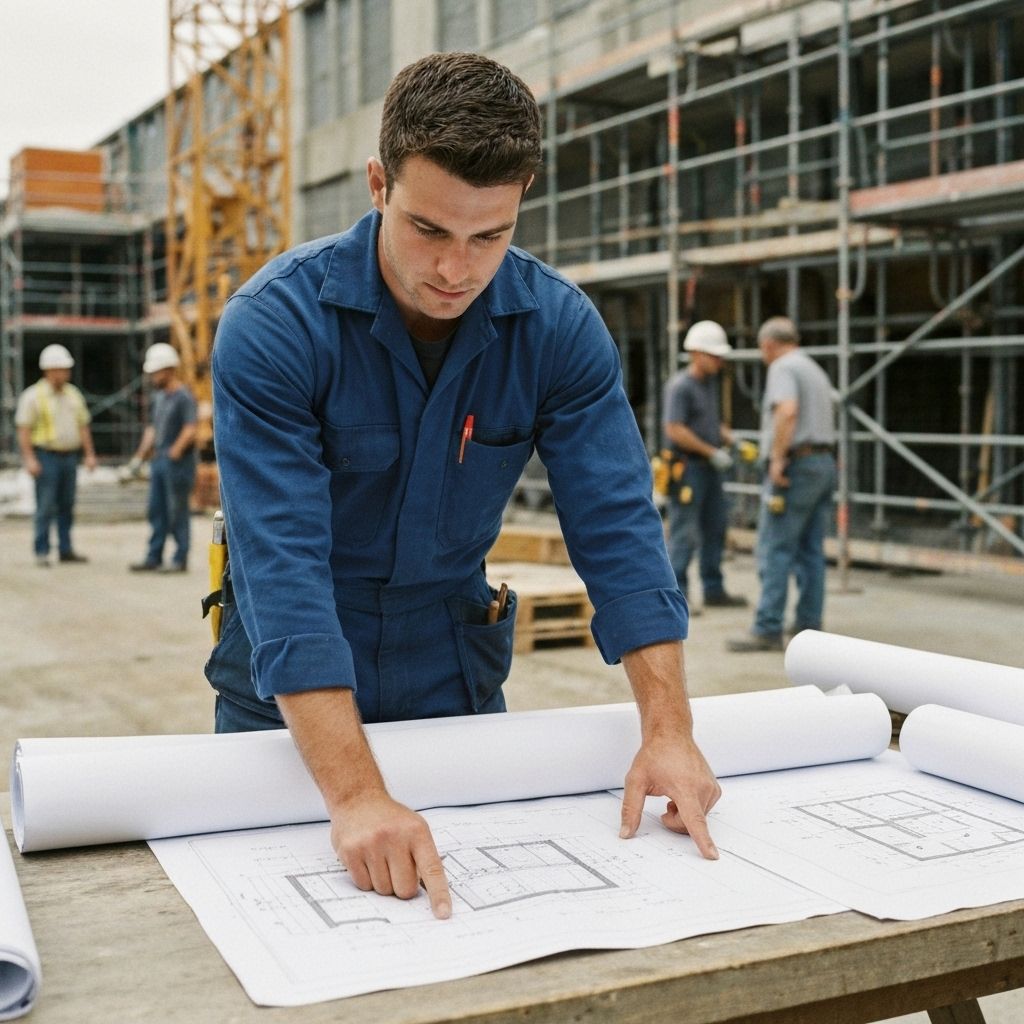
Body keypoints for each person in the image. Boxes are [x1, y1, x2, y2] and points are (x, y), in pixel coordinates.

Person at [207, 52, 721, 921]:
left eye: (490, 237)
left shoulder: (557, 329)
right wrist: (357, 796)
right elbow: (281, 567)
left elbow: (620, 531)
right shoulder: (275, 326)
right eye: (429, 231)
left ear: (522, 195)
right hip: (285, 695)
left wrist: (669, 732)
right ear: (378, 182)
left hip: (452, 672)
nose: (456, 269)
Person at [727, 316, 836, 652]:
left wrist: (776, 457)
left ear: (769, 345)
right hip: (822, 462)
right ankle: (808, 626)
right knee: (810, 550)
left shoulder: (784, 367)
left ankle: (768, 626)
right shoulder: (814, 368)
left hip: (796, 465)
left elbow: (787, 411)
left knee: (775, 547)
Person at [661, 320, 747, 612]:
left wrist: (730, 439)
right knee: (684, 532)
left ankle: (713, 589)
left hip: (708, 468)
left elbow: (707, 422)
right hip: (688, 469)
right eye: (715, 355)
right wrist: (711, 451)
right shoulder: (681, 386)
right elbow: (675, 429)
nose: (720, 361)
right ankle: (678, 596)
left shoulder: (708, 385)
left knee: (715, 528)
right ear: (697, 353)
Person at [15, 343, 97, 566]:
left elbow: (83, 425)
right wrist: (30, 459)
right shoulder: (33, 396)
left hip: (69, 457)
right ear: (49, 370)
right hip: (46, 457)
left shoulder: (73, 394)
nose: (65, 373)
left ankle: (65, 549)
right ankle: (42, 550)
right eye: (61, 369)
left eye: (67, 369)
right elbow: (24, 430)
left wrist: (89, 454)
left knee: (66, 505)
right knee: (45, 506)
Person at [128, 342, 198, 573]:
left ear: (169, 370)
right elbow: (152, 429)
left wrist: (175, 450)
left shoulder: (184, 397)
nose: (153, 377)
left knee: (177, 510)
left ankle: (180, 558)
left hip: (178, 462)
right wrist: (140, 456)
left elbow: (190, 428)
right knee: (156, 510)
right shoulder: (159, 398)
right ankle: (153, 556)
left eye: (156, 372)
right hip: (159, 460)